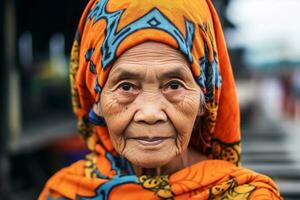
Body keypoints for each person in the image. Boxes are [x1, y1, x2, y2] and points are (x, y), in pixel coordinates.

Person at [39, 0, 282, 199]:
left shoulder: (248, 195)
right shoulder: (63, 194)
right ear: (97, 100)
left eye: (174, 85)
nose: (150, 113)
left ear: (205, 99)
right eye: (126, 87)